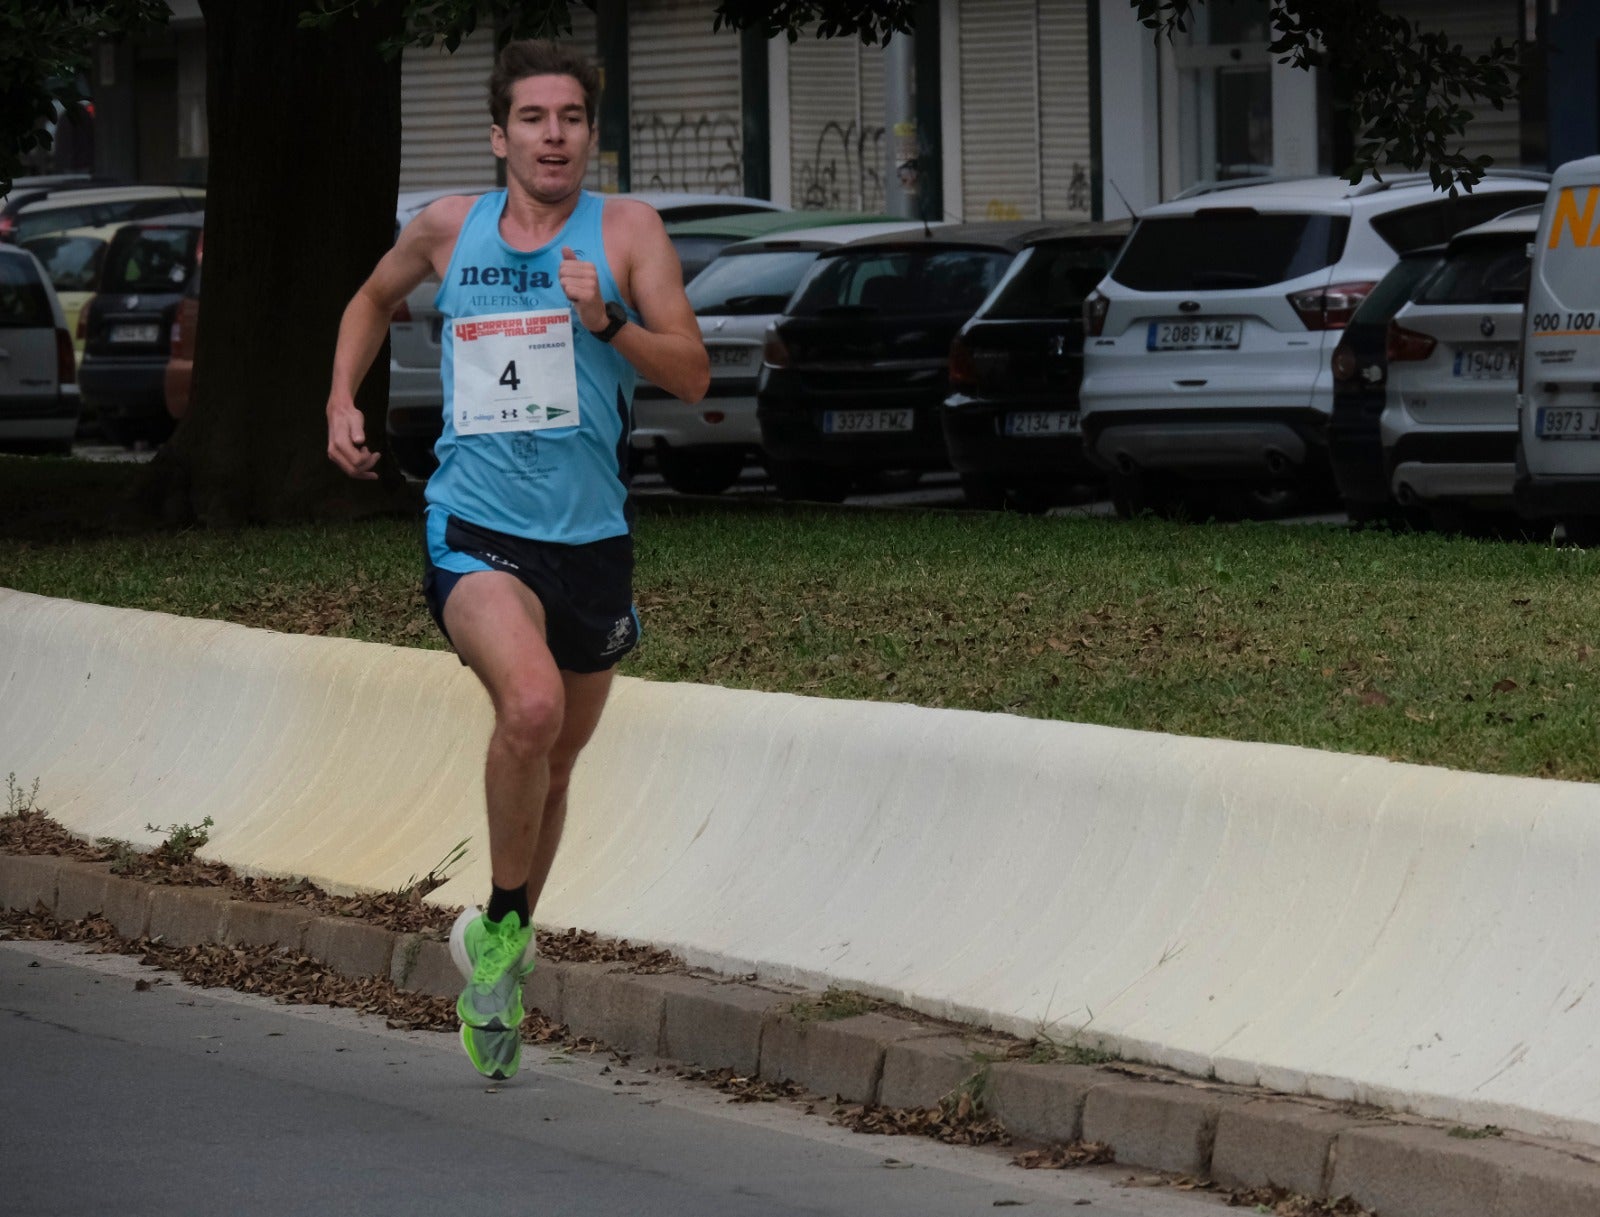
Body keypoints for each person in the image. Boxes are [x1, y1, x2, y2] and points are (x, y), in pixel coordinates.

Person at [325, 38, 709, 1080]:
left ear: (591, 133)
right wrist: (338, 397)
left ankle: (500, 940)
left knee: (560, 755)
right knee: (529, 709)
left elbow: (692, 370)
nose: (554, 135)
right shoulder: (449, 228)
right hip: (474, 523)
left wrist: (607, 318)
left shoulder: (627, 233)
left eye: (572, 118)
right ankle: (500, 923)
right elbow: (368, 299)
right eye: (534, 118)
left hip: (589, 537)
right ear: (501, 136)